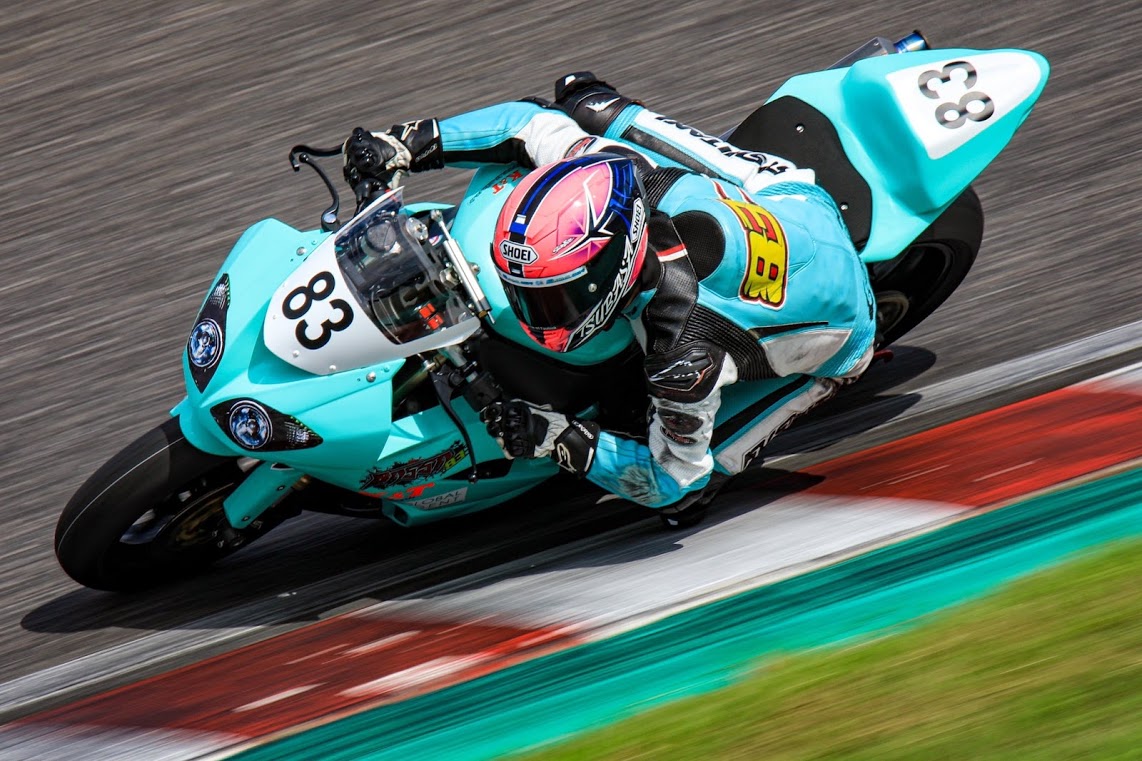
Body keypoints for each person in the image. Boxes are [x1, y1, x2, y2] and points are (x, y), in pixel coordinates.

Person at [342, 73, 876, 526]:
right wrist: (407, 143)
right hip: (784, 194)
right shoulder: (617, 175)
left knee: (687, 499)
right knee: (581, 102)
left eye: (552, 298)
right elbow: (526, 125)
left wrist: (555, 435)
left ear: (611, 274)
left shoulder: (681, 355)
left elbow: (672, 477)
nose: (532, 312)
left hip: (846, 326)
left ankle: (828, 374)